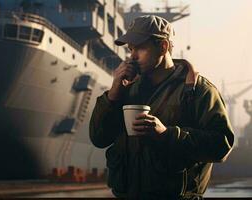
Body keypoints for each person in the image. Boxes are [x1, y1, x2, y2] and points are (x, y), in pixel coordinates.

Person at [89, 15, 234, 199]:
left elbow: (222, 145)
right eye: (130, 49)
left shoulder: (198, 90)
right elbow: (98, 138)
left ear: (163, 46)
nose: (132, 56)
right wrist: (113, 94)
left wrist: (167, 134)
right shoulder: (126, 90)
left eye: (140, 48)